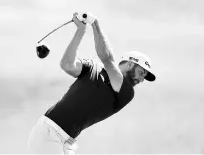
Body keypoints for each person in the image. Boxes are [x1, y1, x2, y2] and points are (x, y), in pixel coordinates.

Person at [28, 12, 156, 154]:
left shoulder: (127, 92)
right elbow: (67, 64)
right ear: (131, 64)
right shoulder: (93, 67)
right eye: (142, 73)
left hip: (67, 141)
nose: (142, 79)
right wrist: (80, 31)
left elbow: (107, 58)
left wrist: (95, 24)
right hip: (49, 132)